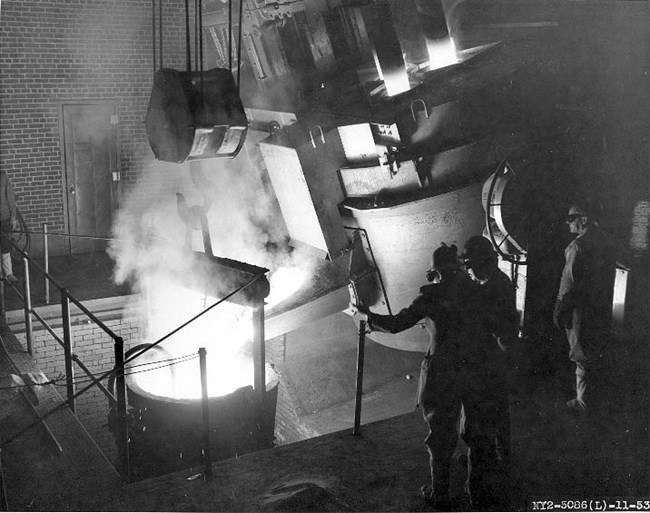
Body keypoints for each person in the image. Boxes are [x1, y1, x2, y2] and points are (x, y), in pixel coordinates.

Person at [457, 235, 518, 510]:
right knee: (500, 409)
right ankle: (503, 453)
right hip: (499, 358)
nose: (469, 270)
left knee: (481, 416)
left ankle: (481, 486)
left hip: (489, 361)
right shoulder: (498, 281)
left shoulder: (492, 287)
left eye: (470, 264)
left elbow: (486, 316)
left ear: (483, 263)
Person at [553, 201, 616, 413]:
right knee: (595, 350)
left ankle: (583, 402)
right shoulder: (605, 241)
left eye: (572, 218)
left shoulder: (578, 246)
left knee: (580, 354)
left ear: (584, 219)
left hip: (579, 308)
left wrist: (560, 307)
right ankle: (594, 398)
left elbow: (569, 282)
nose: (568, 222)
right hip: (598, 305)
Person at [0, 170, 19, 285]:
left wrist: (13, 217)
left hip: (4, 217)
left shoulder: (3, 177)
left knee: (5, 245)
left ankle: (8, 274)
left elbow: (10, 198)